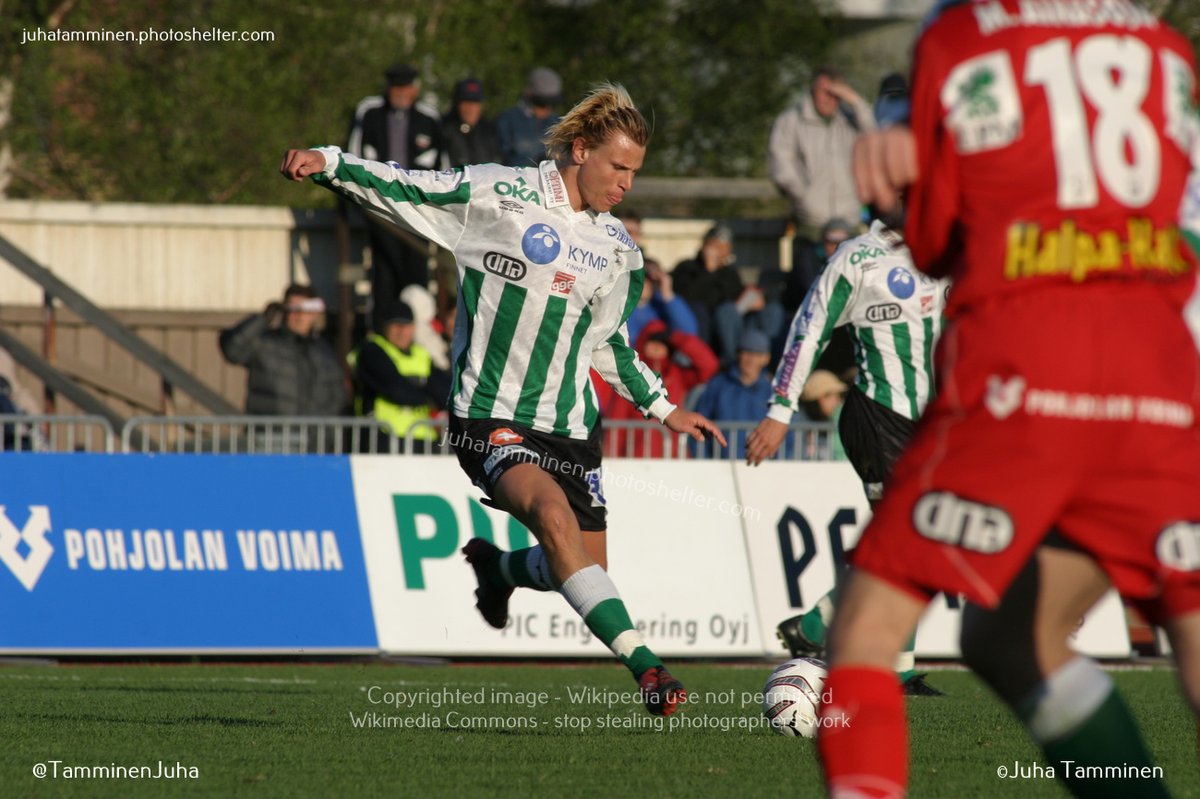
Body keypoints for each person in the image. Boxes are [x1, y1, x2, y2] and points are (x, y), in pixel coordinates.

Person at [816, 3, 1200, 798]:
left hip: (1024, 370)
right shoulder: (1162, 47)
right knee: (1010, 635)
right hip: (1159, 373)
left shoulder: (962, 35)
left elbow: (928, 244)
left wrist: (908, 153)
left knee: (864, 627)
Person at [280, 83, 726, 717]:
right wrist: (332, 162)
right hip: (488, 415)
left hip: (571, 428)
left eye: (635, 172)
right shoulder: (501, 194)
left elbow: (610, 347)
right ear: (580, 150)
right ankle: (648, 668)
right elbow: (410, 186)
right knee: (551, 515)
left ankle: (499, 572)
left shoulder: (619, 251)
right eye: (618, 167)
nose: (627, 183)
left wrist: (665, 408)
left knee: (576, 565)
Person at [746, 215, 947, 696]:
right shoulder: (858, 258)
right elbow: (808, 330)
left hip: (935, 425)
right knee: (913, 534)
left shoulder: (946, 246)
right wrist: (780, 409)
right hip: (879, 416)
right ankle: (822, 629)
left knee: (916, 538)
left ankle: (865, 650)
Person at [347, 62, 445, 325]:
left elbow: (442, 166)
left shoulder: (428, 118)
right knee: (384, 271)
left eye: (406, 88)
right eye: (396, 88)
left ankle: (420, 334)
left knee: (417, 271)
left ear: (414, 90)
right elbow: (354, 155)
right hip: (381, 208)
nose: (400, 93)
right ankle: (382, 330)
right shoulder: (370, 112)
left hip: (418, 211)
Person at [219, 285, 349, 451]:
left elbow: (337, 397)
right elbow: (232, 349)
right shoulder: (265, 343)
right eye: (294, 309)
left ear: (315, 313)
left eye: (306, 310)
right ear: (285, 311)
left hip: (315, 448)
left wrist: (330, 440)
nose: (300, 316)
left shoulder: (324, 352)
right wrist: (262, 320)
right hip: (271, 444)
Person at [767, 65, 875, 243]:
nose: (830, 99)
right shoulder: (791, 121)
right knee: (809, 270)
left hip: (849, 220)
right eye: (825, 92)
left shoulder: (850, 120)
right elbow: (779, 163)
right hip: (811, 224)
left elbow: (874, 138)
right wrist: (803, 196)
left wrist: (855, 101)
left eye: (836, 94)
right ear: (812, 91)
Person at [600, 319, 719, 458]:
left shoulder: (678, 375)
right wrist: (610, 456)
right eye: (652, 341)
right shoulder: (630, 379)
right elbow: (616, 421)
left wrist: (675, 337)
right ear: (642, 344)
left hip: (674, 459)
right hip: (636, 461)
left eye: (663, 343)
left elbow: (709, 366)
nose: (657, 346)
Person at [673, 223, 786, 365]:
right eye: (715, 246)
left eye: (724, 247)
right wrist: (709, 271)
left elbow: (737, 297)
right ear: (704, 245)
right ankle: (733, 363)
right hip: (709, 326)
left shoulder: (730, 273)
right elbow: (688, 298)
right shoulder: (687, 268)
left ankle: (766, 362)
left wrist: (757, 300)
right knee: (726, 311)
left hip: (736, 324)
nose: (719, 251)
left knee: (773, 310)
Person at [348, 299, 451, 454]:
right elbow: (397, 390)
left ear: (414, 327)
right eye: (396, 325)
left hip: (422, 438)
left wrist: (413, 386)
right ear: (385, 327)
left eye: (407, 325)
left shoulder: (420, 354)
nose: (402, 331)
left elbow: (445, 393)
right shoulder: (372, 350)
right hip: (383, 438)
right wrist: (426, 390)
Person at [691, 329, 776, 459]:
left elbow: (788, 436)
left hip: (763, 470)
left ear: (766, 358)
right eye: (746, 352)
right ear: (738, 354)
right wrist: (704, 464)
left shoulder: (773, 392)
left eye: (757, 354)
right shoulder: (717, 386)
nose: (751, 359)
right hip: (720, 469)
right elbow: (699, 426)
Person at [495, 67, 563, 167]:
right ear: (528, 94)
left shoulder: (557, 122)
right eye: (541, 103)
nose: (547, 109)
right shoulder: (506, 121)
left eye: (552, 103)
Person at [625, 256, 700, 345]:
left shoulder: (663, 305)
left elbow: (689, 333)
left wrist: (667, 294)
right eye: (639, 278)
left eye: (649, 279)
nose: (645, 283)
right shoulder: (621, 306)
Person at [441, 77, 502, 168]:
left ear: (481, 105)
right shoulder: (444, 129)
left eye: (475, 102)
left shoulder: (491, 131)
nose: (470, 108)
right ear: (457, 104)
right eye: (466, 102)